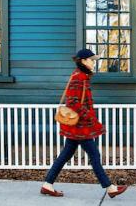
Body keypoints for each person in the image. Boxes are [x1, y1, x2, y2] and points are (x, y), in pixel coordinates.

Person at [41, 49, 128, 198]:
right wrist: (90, 116)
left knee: (66, 154)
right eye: (92, 60)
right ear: (83, 61)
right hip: (81, 125)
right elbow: (73, 101)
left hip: (79, 125)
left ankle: (47, 184)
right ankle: (110, 188)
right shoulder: (79, 77)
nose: (94, 62)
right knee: (94, 154)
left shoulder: (81, 76)